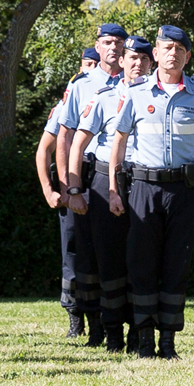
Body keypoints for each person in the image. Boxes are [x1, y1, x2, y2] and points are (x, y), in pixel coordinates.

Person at [104, 26, 194, 357]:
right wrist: (113, 189)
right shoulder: (137, 93)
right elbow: (120, 142)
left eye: (180, 49)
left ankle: (168, 339)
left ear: (188, 56)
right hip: (143, 188)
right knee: (141, 263)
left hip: (183, 191)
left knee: (176, 263)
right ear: (155, 53)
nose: (173, 53)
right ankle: (144, 339)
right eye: (167, 47)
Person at [66, 34, 152, 354]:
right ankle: (113, 331)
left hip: (143, 182)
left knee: (141, 260)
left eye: (143, 59)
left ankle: (139, 333)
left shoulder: (157, 97)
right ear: (122, 61)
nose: (137, 64)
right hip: (106, 182)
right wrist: (74, 189)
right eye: (132, 58)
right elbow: (78, 143)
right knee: (109, 261)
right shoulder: (104, 97)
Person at [56, 24, 131, 346]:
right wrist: (69, 187)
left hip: (127, 176)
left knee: (121, 253)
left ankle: (123, 323)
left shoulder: (139, 83)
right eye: (107, 42)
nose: (113, 48)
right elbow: (65, 136)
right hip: (87, 175)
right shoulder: (81, 85)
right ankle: (93, 324)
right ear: (97, 47)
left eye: (118, 43)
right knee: (87, 255)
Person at [40, 47, 100, 338]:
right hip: (76, 179)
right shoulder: (74, 91)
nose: (89, 68)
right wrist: (57, 188)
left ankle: (101, 319)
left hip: (104, 177)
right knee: (73, 253)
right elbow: (47, 147)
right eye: (85, 63)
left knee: (99, 252)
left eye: (93, 64)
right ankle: (75, 318)